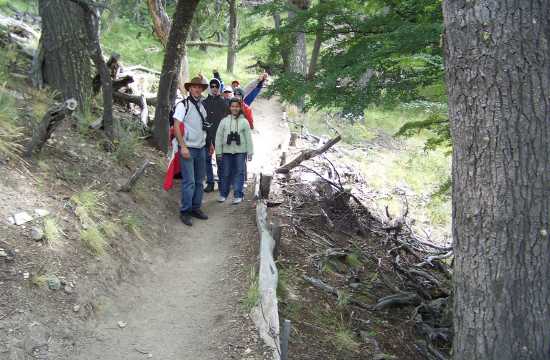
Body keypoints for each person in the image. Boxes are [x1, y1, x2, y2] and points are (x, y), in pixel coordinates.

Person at [172, 76, 213, 226]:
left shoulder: (202, 106)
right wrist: (183, 146)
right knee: (189, 182)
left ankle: (196, 208)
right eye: (195, 87)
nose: (197, 89)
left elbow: (204, 127)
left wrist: (209, 143)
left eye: (200, 87)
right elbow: (176, 125)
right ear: (190, 88)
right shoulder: (183, 105)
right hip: (188, 148)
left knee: (198, 181)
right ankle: (185, 211)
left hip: (201, 148)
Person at [215, 98, 254, 205]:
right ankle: (223, 194)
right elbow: (218, 137)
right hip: (226, 151)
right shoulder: (224, 121)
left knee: (239, 172)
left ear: (240, 107)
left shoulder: (244, 121)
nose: (234, 108)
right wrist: (218, 152)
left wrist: (250, 152)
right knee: (225, 173)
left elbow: (248, 138)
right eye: (232, 106)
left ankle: (238, 195)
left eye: (237, 106)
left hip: (240, 151)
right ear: (229, 107)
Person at [203, 76, 227, 193]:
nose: (214, 88)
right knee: (207, 159)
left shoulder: (223, 103)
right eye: (212, 86)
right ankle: (210, 182)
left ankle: (222, 182)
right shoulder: (204, 103)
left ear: (219, 88)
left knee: (220, 160)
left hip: (220, 135)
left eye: (216, 86)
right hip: (207, 135)